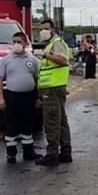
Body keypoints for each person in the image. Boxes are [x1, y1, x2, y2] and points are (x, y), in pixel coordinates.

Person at [0, 32, 41, 163]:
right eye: (14, 41)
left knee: (28, 124)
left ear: (25, 43)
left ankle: (28, 152)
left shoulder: (33, 60)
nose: (16, 44)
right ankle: (11, 153)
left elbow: (39, 79)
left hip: (29, 96)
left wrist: (39, 98)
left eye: (19, 42)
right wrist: (0, 98)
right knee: (12, 124)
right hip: (12, 96)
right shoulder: (6, 60)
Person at [35, 19, 72, 166]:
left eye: (45, 29)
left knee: (51, 121)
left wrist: (45, 56)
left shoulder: (57, 43)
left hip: (53, 88)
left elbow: (63, 60)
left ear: (52, 29)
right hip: (54, 87)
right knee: (61, 120)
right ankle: (65, 152)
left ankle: (52, 154)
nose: (43, 32)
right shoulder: (52, 44)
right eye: (41, 29)